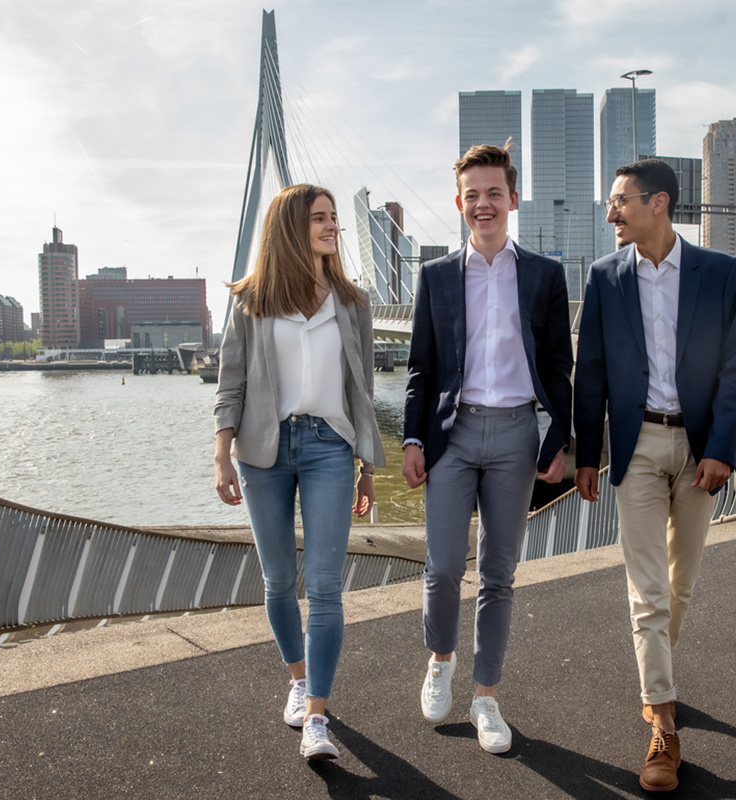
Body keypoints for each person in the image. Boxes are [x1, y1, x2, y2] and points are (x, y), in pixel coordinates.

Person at [573, 158, 736, 792]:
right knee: (647, 590)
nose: (611, 212)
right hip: (639, 446)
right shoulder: (604, 278)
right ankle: (664, 725)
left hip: (700, 446)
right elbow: (589, 372)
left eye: (620, 201)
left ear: (659, 203)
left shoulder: (722, 274)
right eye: (610, 203)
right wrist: (586, 454)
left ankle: (658, 679)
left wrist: (723, 447)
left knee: (681, 583)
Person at [402, 141, 572, 754]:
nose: (483, 204)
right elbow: (421, 367)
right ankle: (440, 659)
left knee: (499, 575)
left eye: (493, 193)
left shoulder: (546, 275)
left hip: (517, 435)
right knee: (444, 566)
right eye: (471, 195)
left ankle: (486, 698)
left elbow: (559, 365)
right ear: (458, 202)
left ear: (512, 199)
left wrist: (562, 435)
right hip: (452, 434)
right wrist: (414, 436)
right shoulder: (437, 276)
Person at [214, 184, 385, 761]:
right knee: (279, 581)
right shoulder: (252, 301)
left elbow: (361, 390)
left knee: (326, 587)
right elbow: (230, 385)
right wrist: (221, 456)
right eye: (320, 218)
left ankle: (317, 714)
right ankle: (296, 678)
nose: (333, 226)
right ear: (292, 227)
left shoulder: (353, 303)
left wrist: (367, 467)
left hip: (328, 446)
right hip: (262, 450)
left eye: (335, 218)